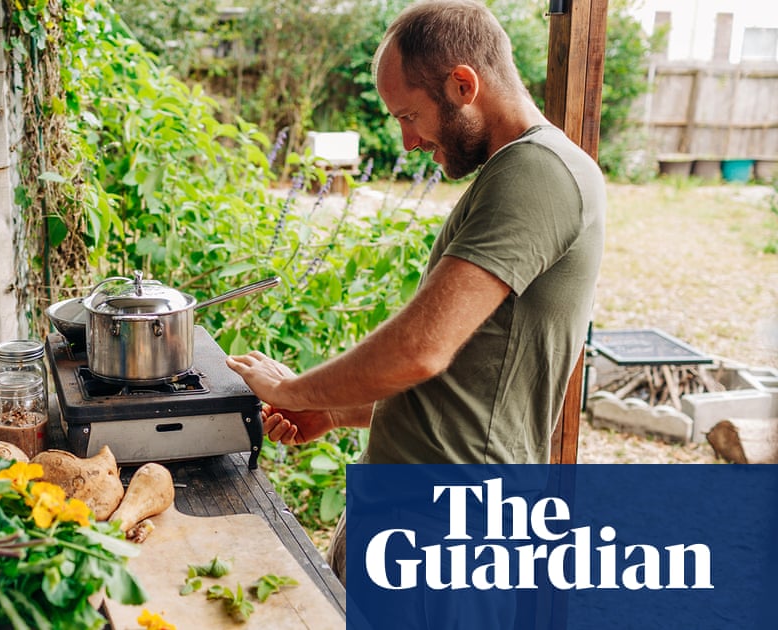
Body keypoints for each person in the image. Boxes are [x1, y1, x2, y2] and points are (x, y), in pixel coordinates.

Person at [224, 0, 606, 588]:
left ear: (463, 85)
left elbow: (421, 349)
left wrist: (290, 389)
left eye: (409, 116)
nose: (407, 142)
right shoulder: (518, 170)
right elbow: (469, 385)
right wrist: (336, 410)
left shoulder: (537, 172)